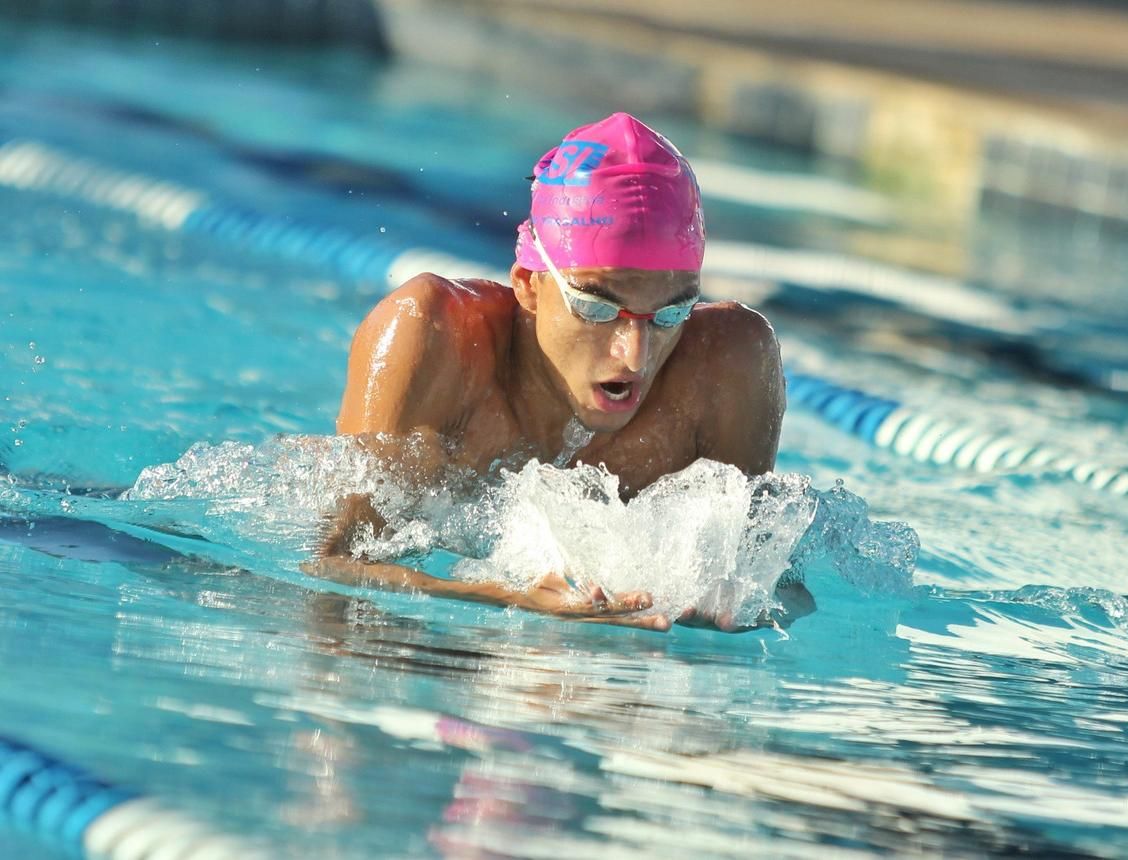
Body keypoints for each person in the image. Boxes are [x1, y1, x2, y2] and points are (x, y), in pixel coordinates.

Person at [309, 113, 794, 631]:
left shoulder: (729, 365)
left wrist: (744, 606)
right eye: (598, 308)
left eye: (670, 315)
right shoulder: (434, 337)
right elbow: (331, 566)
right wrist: (507, 597)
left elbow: (778, 582)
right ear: (527, 284)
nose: (636, 356)